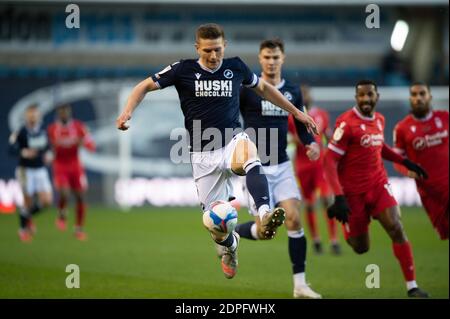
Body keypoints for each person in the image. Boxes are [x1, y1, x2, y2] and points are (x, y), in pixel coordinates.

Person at [116, 23, 318, 280]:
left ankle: (265, 213)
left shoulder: (235, 67)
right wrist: (127, 111)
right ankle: (230, 246)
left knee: (250, 157)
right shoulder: (183, 70)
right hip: (202, 154)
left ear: (225, 47)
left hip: (232, 140)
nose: (213, 56)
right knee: (216, 227)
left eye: (218, 50)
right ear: (197, 48)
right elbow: (143, 86)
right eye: (208, 51)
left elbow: (265, 89)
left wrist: (298, 113)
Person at [324, 79, 430, 298]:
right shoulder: (346, 124)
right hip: (353, 193)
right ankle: (349, 229)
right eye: (361, 95)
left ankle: (412, 286)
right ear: (356, 98)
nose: (366, 99)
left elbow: (380, 146)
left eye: (369, 95)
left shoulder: (379, 120)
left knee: (396, 227)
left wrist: (405, 162)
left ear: (376, 97)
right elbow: (329, 161)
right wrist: (339, 197)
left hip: (378, 185)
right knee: (360, 247)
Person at [233, 39, 321, 298]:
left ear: (282, 59)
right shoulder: (247, 89)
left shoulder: (292, 90)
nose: (271, 62)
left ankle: (300, 285)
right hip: (255, 167)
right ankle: (233, 232)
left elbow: (302, 123)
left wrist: (311, 144)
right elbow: (229, 117)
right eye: (267, 57)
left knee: (294, 217)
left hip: (282, 165)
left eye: (276, 57)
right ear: (260, 60)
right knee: (265, 231)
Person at [288, 85, 340, 255]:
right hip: (302, 166)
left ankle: (334, 240)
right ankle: (316, 240)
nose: (304, 96)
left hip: (320, 164)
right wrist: (302, 140)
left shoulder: (322, 115)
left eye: (306, 94)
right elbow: (288, 138)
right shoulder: (291, 117)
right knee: (309, 203)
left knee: (327, 199)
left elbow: (329, 137)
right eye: (301, 94)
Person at [393, 82, 448, 240]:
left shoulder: (445, 118)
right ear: (410, 98)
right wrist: (407, 170)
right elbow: (397, 159)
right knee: (444, 234)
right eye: (414, 95)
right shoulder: (402, 128)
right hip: (430, 192)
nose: (418, 98)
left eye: (422, 94)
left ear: (429, 97)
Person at [47, 104, 96, 241]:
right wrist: (48, 154)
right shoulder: (52, 129)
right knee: (64, 192)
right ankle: (62, 213)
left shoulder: (79, 127)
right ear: (58, 114)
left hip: (75, 166)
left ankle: (79, 228)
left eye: (66, 112)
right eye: (61, 112)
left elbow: (90, 143)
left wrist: (86, 145)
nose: (64, 114)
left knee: (80, 197)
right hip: (60, 165)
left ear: (69, 113)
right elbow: (47, 147)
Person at [8, 104, 53, 242]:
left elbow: (47, 147)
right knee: (27, 202)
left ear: (39, 116)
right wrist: (23, 152)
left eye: (35, 114)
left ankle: (27, 217)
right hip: (25, 170)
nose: (32, 117)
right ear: (26, 116)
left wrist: (49, 155)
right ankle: (23, 229)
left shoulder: (43, 131)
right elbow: (11, 148)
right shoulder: (21, 131)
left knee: (47, 201)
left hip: (40, 169)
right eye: (30, 114)